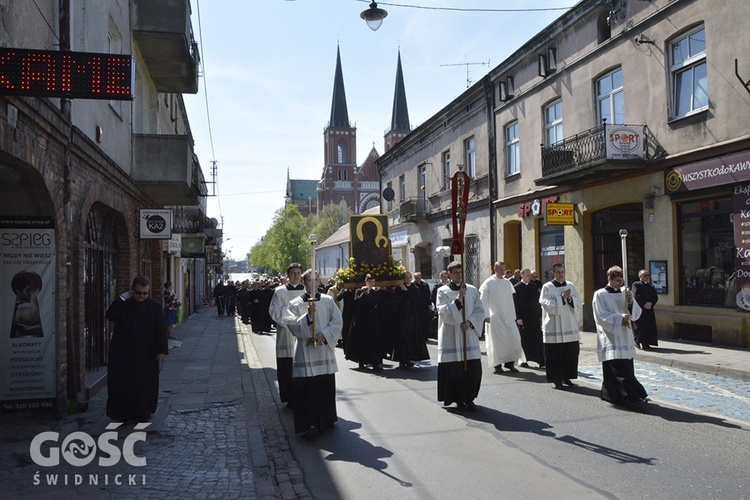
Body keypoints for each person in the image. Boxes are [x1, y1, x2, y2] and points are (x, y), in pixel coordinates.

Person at [283, 269, 343, 439]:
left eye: (317, 280)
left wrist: (323, 335)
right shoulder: (295, 304)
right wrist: (307, 317)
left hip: (323, 351)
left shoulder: (327, 301)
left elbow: (337, 322)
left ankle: (326, 420)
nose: (314, 283)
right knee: (306, 391)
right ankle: (309, 424)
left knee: (324, 388)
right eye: (310, 280)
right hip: (305, 351)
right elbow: (291, 324)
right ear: (304, 282)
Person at [105, 276, 168, 422]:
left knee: (144, 385)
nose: (142, 296)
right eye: (139, 293)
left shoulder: (155, 306)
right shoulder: (124, 304)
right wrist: (122, 297)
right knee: (121, 384)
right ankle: (121, 414)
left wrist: (161, 351)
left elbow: (160, 329)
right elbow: (111, 315)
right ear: (132, 291)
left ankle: (143, 412)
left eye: (145, 293)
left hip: (146, 353)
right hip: (122, 353)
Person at [593, 266, 648, 408]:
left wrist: (630, 302)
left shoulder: (625, 292)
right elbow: (600, 316)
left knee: (626, 368)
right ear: (609, 278)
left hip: (624, 335)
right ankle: (631, 396)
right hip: (611, 336)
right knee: (618, 370)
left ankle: (613, 395)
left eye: (621, 280)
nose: (620, 283)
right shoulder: (600, 295)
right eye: (617, 280)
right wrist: (618, 319)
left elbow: (635, 314)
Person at [436, 261, 485, 411]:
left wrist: (470, 323)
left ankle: (469, 398)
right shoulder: (442, 291)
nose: (459, 275)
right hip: (451, 335)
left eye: (460, 272)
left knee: (473, 369)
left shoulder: (472, 289)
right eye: (456, 272)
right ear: (449, 274)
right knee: (454, 371)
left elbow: (479, 310)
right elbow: (443, 313)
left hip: (468, 334)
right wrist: (458, 299)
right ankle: (458, 399)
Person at [269, 263, 307, 407]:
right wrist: (294, 321)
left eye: (298, 273)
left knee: (302, 367)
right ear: (288, 275)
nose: (296, 275)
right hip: (286, 334)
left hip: (304, 333)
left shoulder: (307, 291)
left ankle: (303, 397)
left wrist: (302, 322)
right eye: (293, 273)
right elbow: (274, 311)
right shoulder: (279, 292)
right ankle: (290, 398)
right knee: (287, 368)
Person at [539, 263, 582, 389]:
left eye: (562, 272)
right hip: (554, 326)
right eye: (558, 272)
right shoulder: (547, 287)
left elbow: (578, 302)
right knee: (555, 355)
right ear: (553, 273)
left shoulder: (570, 286)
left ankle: (567, 376)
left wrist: (569, 300)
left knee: (570, 353)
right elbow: (546, 304)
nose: (561, 274)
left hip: (569, 325)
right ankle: (557, 379)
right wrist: (562, 299)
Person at [479, 262, 524, 374]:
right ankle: (497, 366)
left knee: (513, 339)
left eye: (503, 269)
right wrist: (486, 315)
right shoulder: (488, 283)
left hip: (508, 316)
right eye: (499, 269)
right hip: (495, 317)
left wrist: (514, 316)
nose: (502, 271)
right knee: (497, 342)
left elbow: (511, 301)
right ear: (495, 269)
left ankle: (510, 364)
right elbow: (483, 300)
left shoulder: (507, 283)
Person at [346, 275, 387, 371]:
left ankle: (375, 363)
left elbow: (374, 302)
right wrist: (364, 293)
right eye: (369, 281)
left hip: (372, 319)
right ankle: (362, 360)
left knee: (374, 340)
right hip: (361, 319)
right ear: (365, 281)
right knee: (361, 340)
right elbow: (357, 302)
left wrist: (369, 293)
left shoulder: (376, 292)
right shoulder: (359, 291)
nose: (371, 284)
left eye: (373, 282)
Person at [513, 269, 545, 368]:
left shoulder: (533, 287)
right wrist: (518, 317)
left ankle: (540, 360)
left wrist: (540, 315)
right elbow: (515, 304)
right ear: (522, 276)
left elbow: (537, 302)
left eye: (529, 276)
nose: (529, 277)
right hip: (523, 318)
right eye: (527, 275)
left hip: (534, 317)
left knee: (537, 338)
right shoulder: (516, 288)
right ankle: (524, 360)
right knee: (524, 339)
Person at [631, 269, 659, 350]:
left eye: (648, 275)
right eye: (644, 275)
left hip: (649, 310)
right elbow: (636, 295)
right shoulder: (636, 284)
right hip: (639, 309)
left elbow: (655, 297)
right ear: (640, 277)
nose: (647, 277)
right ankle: (637, 341)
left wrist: (651, 303)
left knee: (648, 326)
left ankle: (646, 343)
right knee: (640, 327)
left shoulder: (651, 286)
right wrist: (644, 303)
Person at [412, 272, 432, 340]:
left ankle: (425, 335)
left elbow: (428, 294)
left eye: (418, 277)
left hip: (424, 306)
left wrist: (429, 303)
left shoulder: (425, 285)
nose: (417, 279)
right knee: (418, 321)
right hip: (417, 306)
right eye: (416, 278)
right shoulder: (413, 285)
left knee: (425, 321)